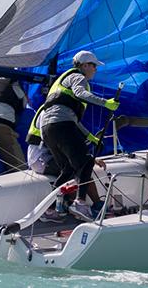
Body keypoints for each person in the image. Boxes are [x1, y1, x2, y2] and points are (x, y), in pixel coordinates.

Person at [39, 50, 119, 221]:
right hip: (62, 126)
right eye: (94, 66)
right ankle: (80, 203)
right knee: (86, 162)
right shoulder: (78, 77)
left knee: (67, 169)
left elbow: (69, 116)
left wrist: (90, 137)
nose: (95, 69)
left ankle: (48, 209)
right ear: (84, 66)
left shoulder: (62, 80)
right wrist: (106, 103)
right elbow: (80, 94)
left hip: (48, 129)